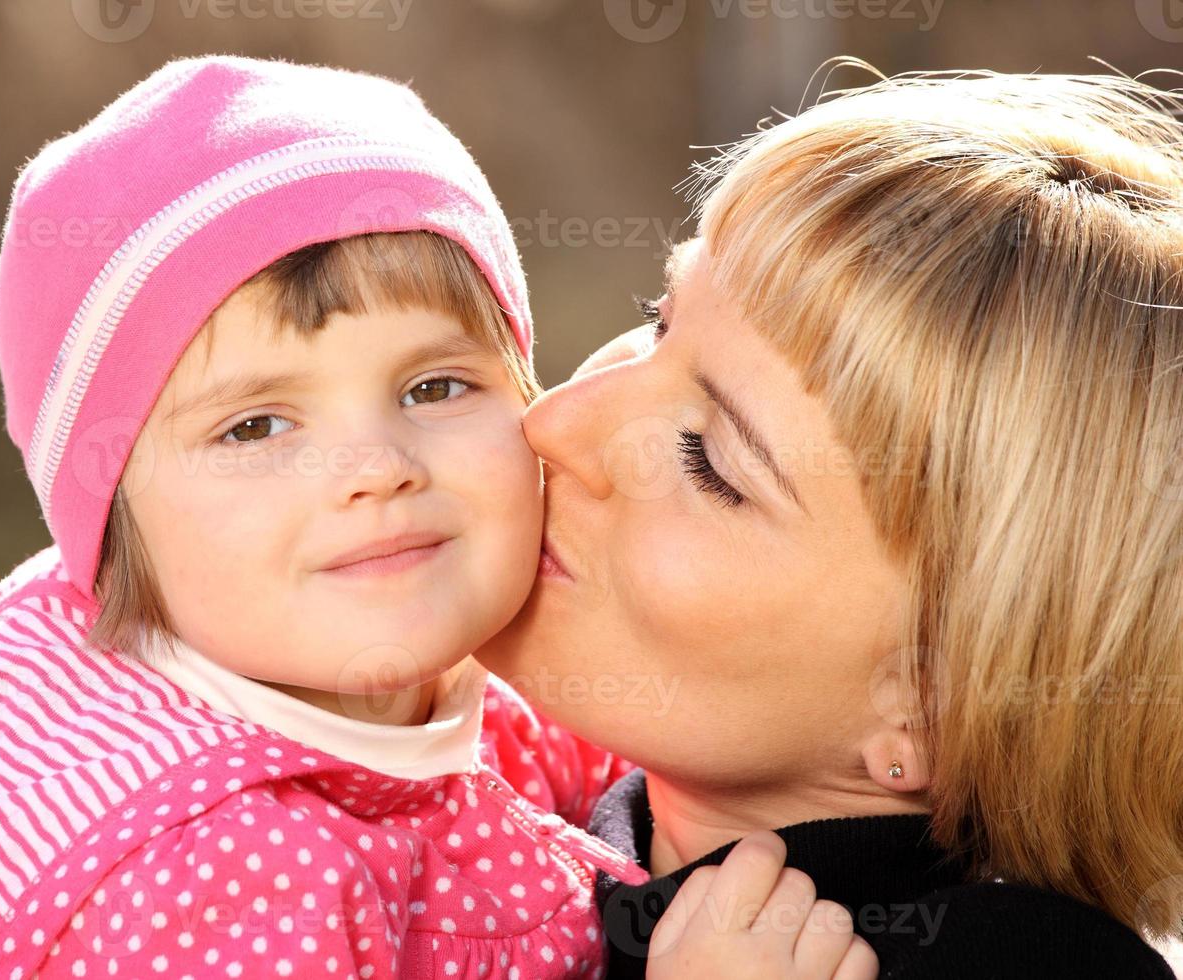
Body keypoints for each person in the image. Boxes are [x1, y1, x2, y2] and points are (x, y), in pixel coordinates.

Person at [0, 56, 875, 980]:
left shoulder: (323, 657)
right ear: (109, 524)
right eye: (256, 428)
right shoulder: (234, 877)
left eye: (434, 387)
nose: (373, 468)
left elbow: (524, 739)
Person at [474, 68, 1183, 978]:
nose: (554, 420)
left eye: (709, 462)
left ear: (931, 709)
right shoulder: (519, 816)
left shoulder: (1024, 963)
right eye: (657, 322)